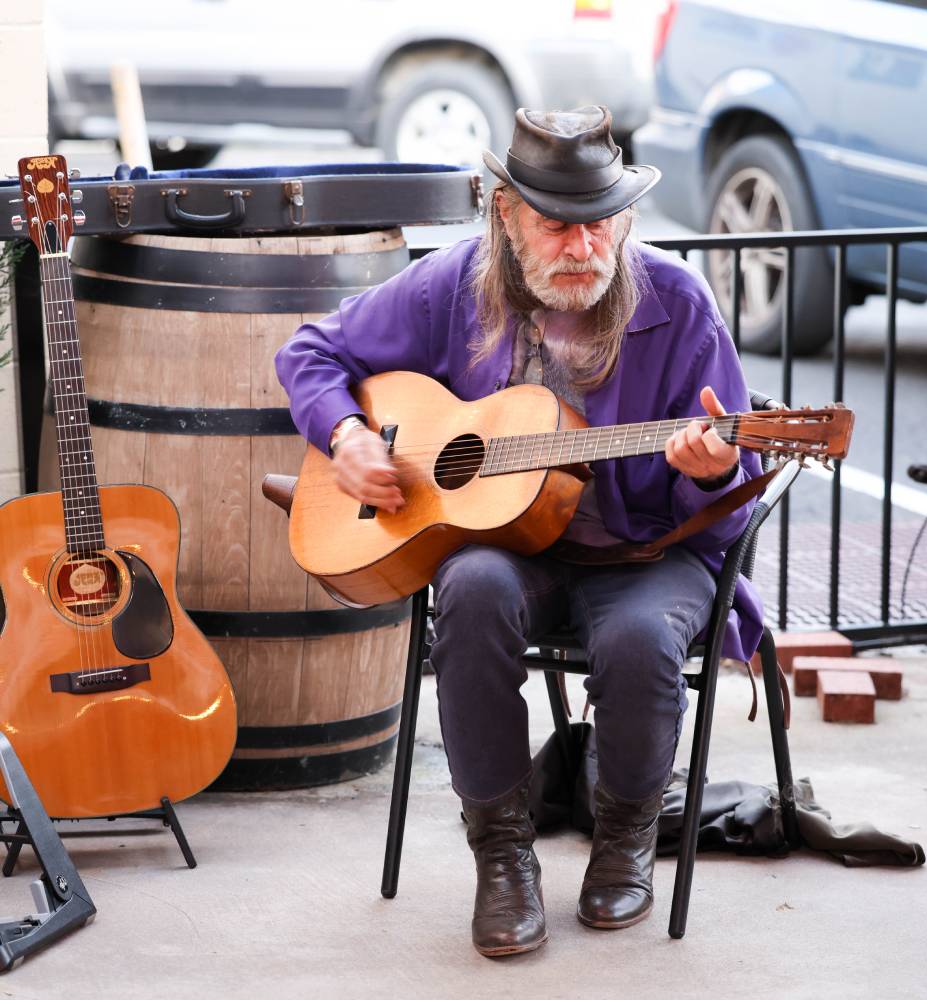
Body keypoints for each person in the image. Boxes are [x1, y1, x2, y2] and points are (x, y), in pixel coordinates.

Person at [275, 106, 764, 958]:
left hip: (649, 550)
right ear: (506, 214)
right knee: (467, 590)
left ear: (627, 217)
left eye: (599, 223)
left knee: (644, 638)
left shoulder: (680, 305)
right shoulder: (453, 286)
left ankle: (624, 843)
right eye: (557, 225)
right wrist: (348, 436)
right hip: (512, 552)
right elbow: (310, 353)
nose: (582, 247)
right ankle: (502, 856)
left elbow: (742, 483)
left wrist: (715, 469)